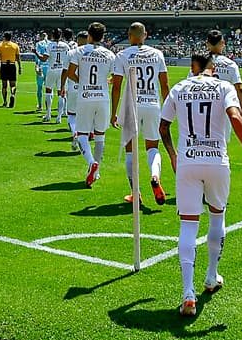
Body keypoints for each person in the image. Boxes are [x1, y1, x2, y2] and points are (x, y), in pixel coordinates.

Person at [159, 52, 242, 318]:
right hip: (217, 161)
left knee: (188, 224)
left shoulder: (181, 87)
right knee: (217, 217)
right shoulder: (223, 86)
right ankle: (211, 276)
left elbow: (163, 125)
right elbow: (235, 117)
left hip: (188, 163)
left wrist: (172, 155)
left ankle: (187, 293)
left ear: (194, 69)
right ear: (213, 68)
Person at [110, 21, 171, 205]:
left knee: (130, 150)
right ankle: (155, 176)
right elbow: (165, 85)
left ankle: (135, 192)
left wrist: (114, 112)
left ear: (129, 36)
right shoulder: (157, 54)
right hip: (152, 104)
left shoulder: (122, 55)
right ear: (145, 35)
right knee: (152, 147)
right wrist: (168, 111)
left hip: (132, 106)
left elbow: (117, 86)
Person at [60, 22, 115, 188]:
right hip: (103, 97)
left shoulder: (78, 51)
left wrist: (82, 81)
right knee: (100, 135)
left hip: (85, 96)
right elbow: (115, 77)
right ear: (102, 37)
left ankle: (91, 162)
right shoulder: (110, 54)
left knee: (82, 134)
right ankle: (96, 172)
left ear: (89, 35)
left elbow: (70, 73)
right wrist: (104, 81)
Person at [206, 29, 242, 117]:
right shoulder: (231, 64)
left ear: (207, 44)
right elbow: (239, 89)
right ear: (223, 43)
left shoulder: (199, 64)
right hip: (223, 110)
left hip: (202, 110)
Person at [42, 28, 68, 122]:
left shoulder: (50, 45)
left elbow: (44, 59)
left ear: (52, 35)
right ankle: (59, 117)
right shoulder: (65, 45)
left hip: (52, 70)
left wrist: (36, 53)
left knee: (48, 91)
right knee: (61, 93)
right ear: (61, 36)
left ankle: (48, 114)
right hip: (62, 71)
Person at [0, 31, 21, 107]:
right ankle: (12, 94)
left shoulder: (1, 45)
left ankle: (5, 101)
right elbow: (18, 57)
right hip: (12, 65)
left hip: (4, 65)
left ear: (4, 37)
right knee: (13, 84)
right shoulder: (15, 45)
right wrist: (20, 67)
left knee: (4, 85)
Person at [33, 32, 50, 112]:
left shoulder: (39, 44)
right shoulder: (50, 43)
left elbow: (37, 56)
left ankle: (40, 105)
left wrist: (37, 65)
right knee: (49, 88)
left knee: (40, 87)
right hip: (50, 67)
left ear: (40, 37)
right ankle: (48, 106)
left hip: (42, 66)